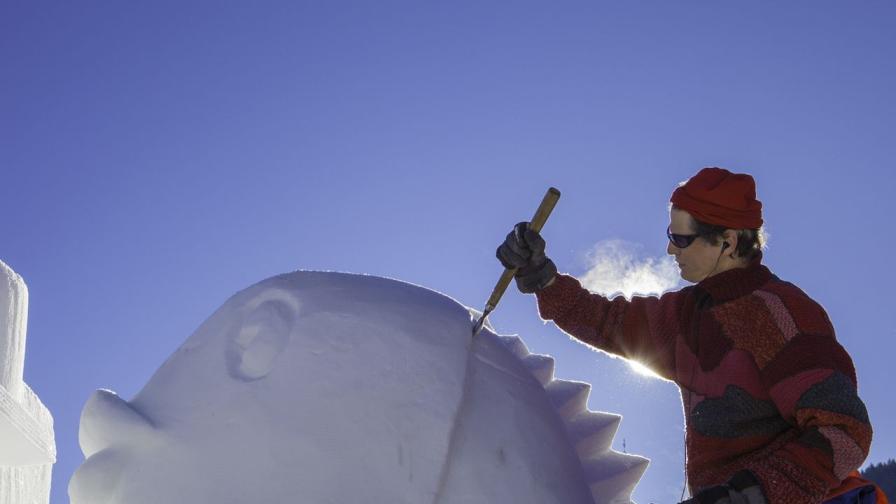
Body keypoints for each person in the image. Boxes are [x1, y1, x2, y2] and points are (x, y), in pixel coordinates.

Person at [497, 168, 881, 504]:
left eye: (681, 239)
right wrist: (542, 276)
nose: (669, 248)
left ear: (728, 242)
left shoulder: (782, 315)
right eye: (670, 234)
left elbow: (844, 430)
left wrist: (746, 497)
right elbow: (608, 322)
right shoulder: (686, 315)